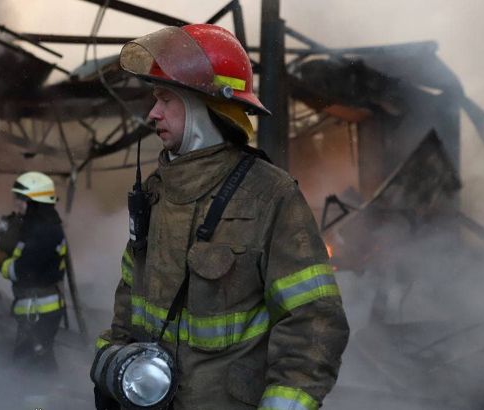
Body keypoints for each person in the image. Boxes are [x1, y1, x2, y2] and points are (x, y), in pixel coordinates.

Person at [92, 24, 349, 410]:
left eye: (166, 99)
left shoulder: (270, 195)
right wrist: (113, 363)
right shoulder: (155, 192)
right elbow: (128, 303)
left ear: (203, 105)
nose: (153, 113)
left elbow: (313, 322)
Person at [0, 171, 67, 372]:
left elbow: (19, 271)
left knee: (28, 366)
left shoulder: (42, 234)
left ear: (35, 203)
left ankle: (38, 403)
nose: (16, 204)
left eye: (21, 200)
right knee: (40, 361)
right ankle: (46, 396)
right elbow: (21, 242)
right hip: (39, 310)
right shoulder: (43, 225)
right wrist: (3, 229)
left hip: (39, 312)